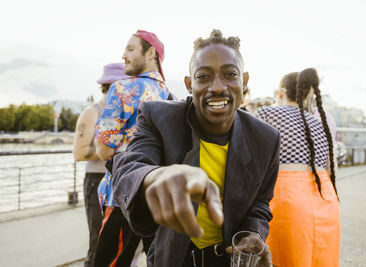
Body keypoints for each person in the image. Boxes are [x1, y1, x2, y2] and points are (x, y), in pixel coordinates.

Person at [111, 29, 279, 267]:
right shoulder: (157, 116)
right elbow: (129, 167)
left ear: (245, 81)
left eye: (230, 74)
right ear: (189, 84)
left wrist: (254, 233)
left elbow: (260, 202)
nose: (218, 87)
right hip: (173, 257)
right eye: (204, 77)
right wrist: (160, 176)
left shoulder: (266, 138)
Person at [94, 30, 173, 266]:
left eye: (130, 49)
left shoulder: (122, 89)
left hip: (123, 195)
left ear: (150, 53)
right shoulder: (171, 97)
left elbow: (103, 150)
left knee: (109, 261)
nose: (123, 55)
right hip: (156, 195)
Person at [255, 68, 340, 267]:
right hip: (326, 201)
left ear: (281, 92)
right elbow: (330, 165)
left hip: (286, 199)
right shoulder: (320, 124)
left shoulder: (266, 113)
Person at [73, 63, 130, 267]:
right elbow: (79, 153)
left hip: (122, 179)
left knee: (124, 246)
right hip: (97, 180)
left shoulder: (125, 111)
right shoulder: (93, 112)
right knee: (99, 244)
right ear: (114, 86)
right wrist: (114, 149)